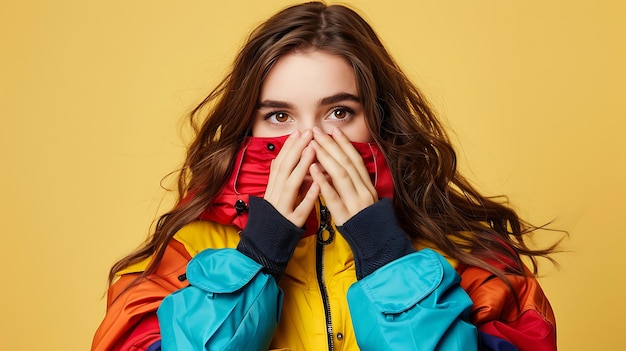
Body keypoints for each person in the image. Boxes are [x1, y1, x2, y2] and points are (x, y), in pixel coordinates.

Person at [92, 2, 559, 350]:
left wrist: (386, 258)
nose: (311, 140)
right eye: (279, 117)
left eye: (339, 111)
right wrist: (256, 256)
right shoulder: (185, 248)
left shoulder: (466, 252)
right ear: (247, 125)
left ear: (378, 120)